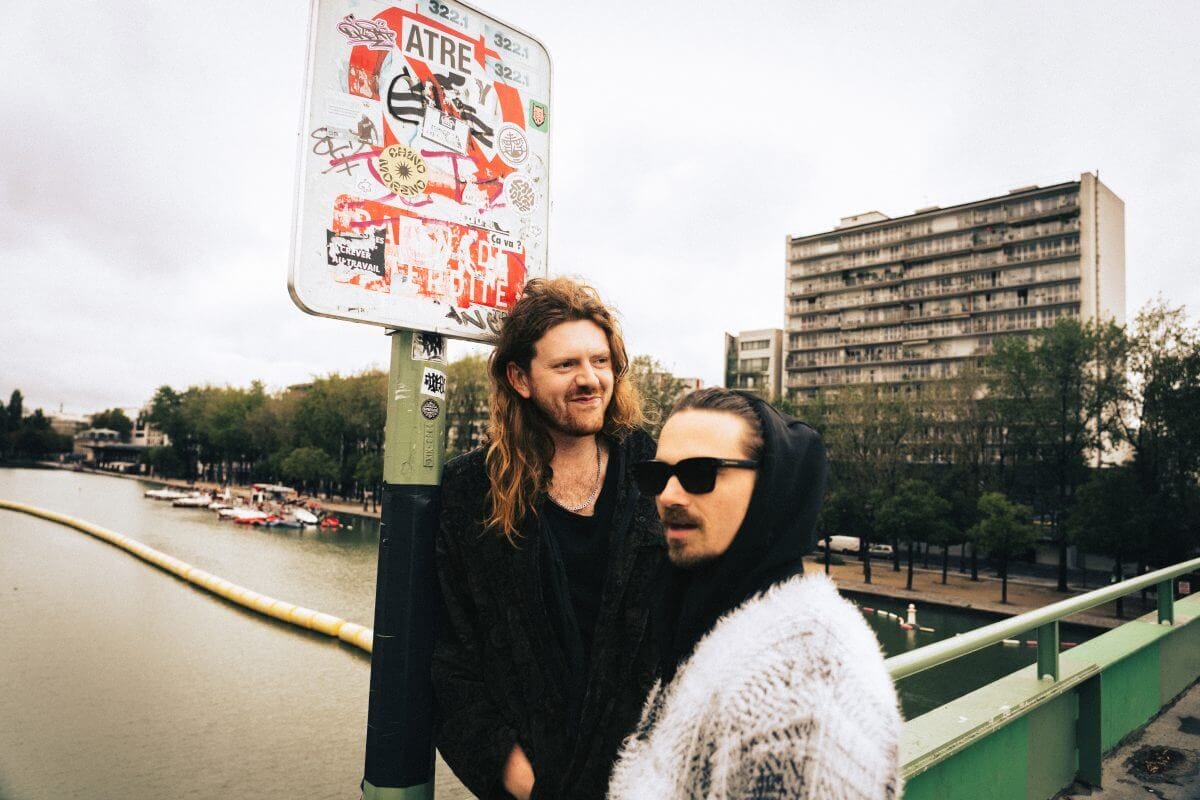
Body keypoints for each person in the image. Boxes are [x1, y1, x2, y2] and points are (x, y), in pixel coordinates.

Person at [433, 277, 665, 800]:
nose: (589, 380)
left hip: (650, 781)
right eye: (566, 365)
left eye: (600, 361)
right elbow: (450, 659)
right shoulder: (471, 491)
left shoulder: (651, 468)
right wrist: (524, 781)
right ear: (520, 378)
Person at [609, 388, 902, 800]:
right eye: (657, 476)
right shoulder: (707, 621)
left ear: (769, 485)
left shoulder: (804, 684)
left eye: (700, 473)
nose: (668, 495)